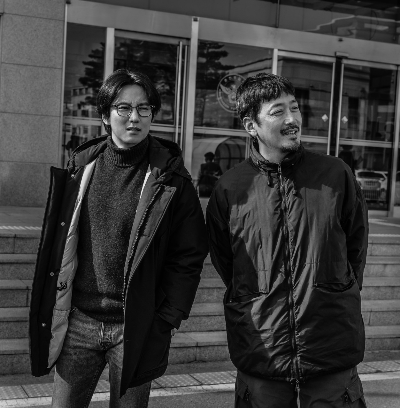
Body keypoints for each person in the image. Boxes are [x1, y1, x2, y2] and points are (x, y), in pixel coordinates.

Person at [29, 68, 208, 408]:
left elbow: (189, 254)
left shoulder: (172, 179)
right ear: (105, 116)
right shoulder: (80, 168)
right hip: (80, 322)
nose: (134, 117)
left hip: (135, 326)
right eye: (123, 108)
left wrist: (168, 317)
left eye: (144, 108)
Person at [206, 73, 368, 408]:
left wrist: (336, 290)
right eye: (278, 112)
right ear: (251, 126)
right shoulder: (230, 189)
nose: (292, 119)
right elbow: (228, 265)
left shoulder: (336, 175)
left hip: (330, 347)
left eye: (294, 108)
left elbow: (356, 248)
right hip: (261, 350)